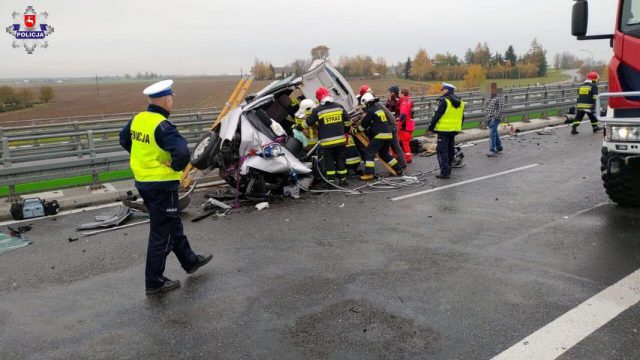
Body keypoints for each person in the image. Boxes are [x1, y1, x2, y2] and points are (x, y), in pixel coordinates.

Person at [119, 80, 212, 295]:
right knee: (162, 233)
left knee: (171, 224)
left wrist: (144, 158)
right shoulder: (163, 125)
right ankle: (154, 281)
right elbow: (182, 153)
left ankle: (190, 261)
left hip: (143, 181)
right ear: (167, 101)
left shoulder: (138, 119)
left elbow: (124, 139)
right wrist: (175, 166)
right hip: (161, 184)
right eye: (172, 100)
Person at [301, 87, 350, 186]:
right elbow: (347, 121)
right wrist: (345, 130)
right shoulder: (339, 107)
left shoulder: (318, 110)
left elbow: (308, 123)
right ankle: (343, 180)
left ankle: (331, 182)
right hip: (340, 140)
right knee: (340, 160)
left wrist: (298, 126)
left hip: (327, 143)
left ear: (319, 99)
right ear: (329, 95)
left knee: (329, 162)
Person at [358, 85, 407, 170]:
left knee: (395, 146)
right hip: (388, 127)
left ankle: (402, 164)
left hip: (390, 126)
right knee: (385, 152)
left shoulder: (375, 104)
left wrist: (393, 126)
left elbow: (385, 114)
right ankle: (399, 167)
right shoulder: (375, 103)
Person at [427, 83, 465, 179]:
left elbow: (437, 115)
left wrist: (431, 128)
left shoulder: (445, 101)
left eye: (443, 89)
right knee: (450, 149)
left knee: (442, 151)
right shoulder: (460, 102)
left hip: (443, 130)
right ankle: (449, 168)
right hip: (454, 130)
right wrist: (458, 127)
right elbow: (462, 117)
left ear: (447, 90)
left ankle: (445, 172)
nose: (442, 91)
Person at [485, 88, 505, 157]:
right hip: (489, 118)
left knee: (492, 134)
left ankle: (492, 151)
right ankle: (499, 147)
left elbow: (500, 109)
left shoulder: (500, 97)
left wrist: (495, 118)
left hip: (495, 118)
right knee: (495, 132)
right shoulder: (491, 97)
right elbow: (488, 108)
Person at [397, 89, 415, 163]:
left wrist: (398, 124)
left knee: (403, 142)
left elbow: (403, 115)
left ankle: (407, 158)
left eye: (400, 93)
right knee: (405, 142)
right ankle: (407, 157)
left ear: (403, 94)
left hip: (404, 125)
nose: (399, 95)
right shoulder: (410, 100)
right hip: (409, 124)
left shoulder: (404, 102)